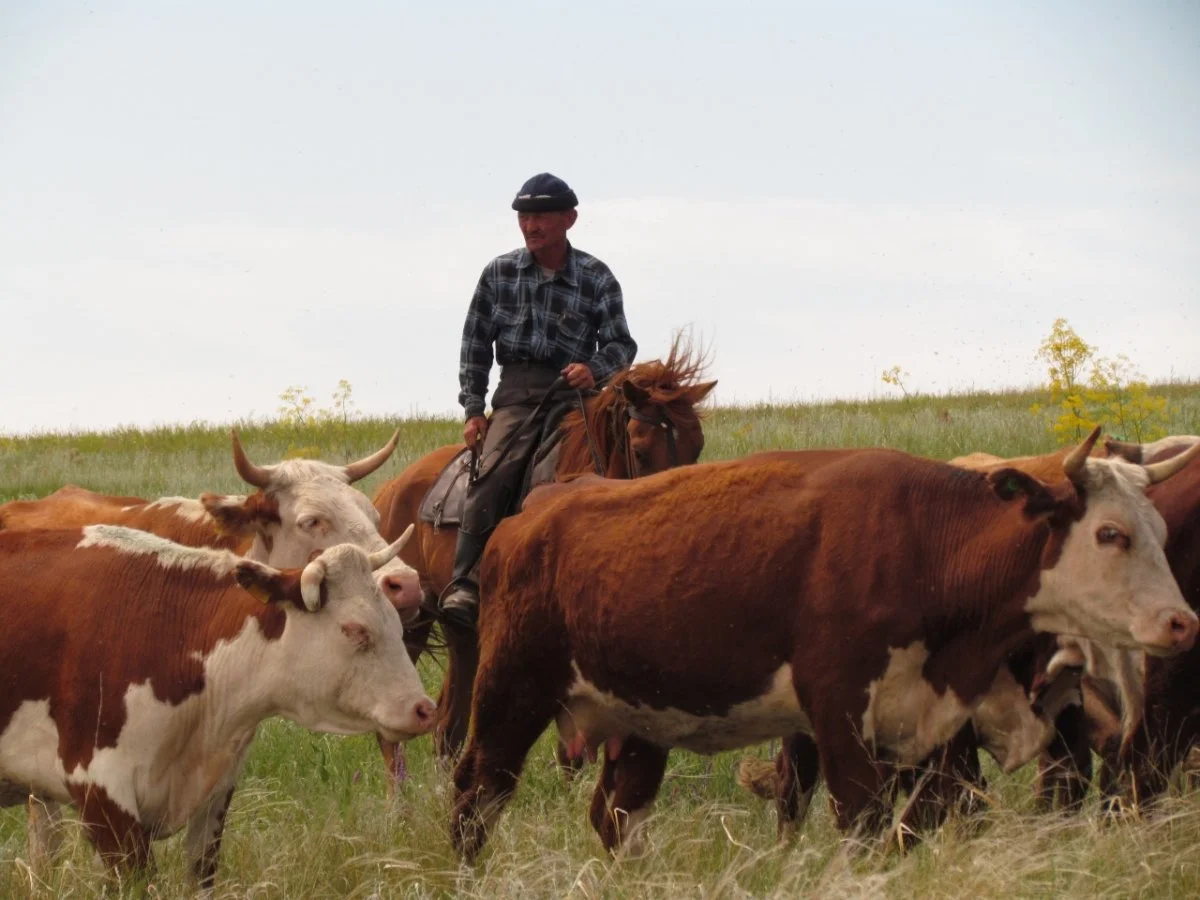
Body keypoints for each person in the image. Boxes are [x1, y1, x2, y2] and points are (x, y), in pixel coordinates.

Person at [439, 173, 638, 630]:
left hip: (579, 397)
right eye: (524, 218)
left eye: (541, 217)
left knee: (623, 461)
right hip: (518, 396)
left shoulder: (596, 277)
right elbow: (475, 344)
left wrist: (595, 370)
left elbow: (621, 345)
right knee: (494, 473)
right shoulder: (499, 273)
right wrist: (473, 409)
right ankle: (465, 581)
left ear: (569, 219)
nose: (531, 226)